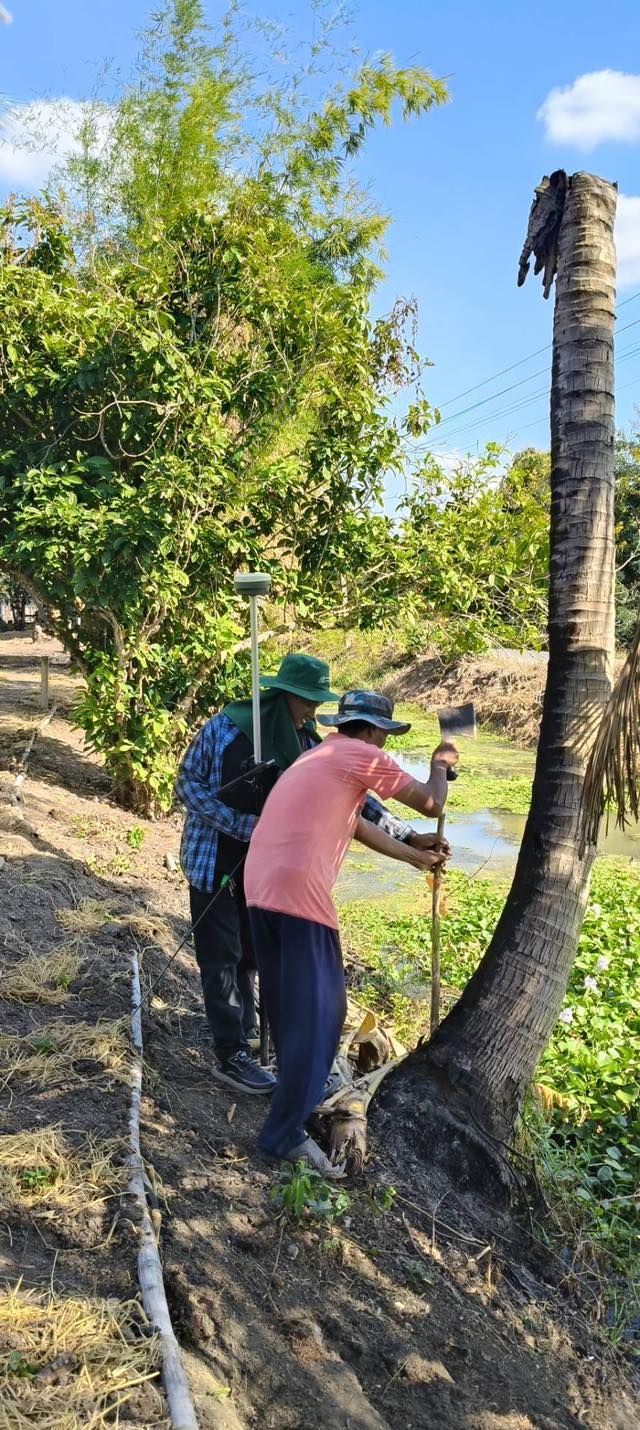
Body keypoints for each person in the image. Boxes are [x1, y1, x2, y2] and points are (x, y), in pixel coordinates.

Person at [176, 657, 438, 1094]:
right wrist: (246, 827)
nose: (312, 712)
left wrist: (409, 837)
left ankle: (251, 1031)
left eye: (318, 704)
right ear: (284, 697)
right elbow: (188, 785)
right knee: (220, 956)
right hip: (217, 857)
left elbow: (358, 803)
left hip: (270, 869)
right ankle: (232, 1054)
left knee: (251, 956)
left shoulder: (306, 742)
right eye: (307, 702)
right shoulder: (224, 728)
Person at [243, 689, 458, 1175]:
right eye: (384, 734)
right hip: (299, 894)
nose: (384, 741)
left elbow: (354, 823)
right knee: (324, 1014)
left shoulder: (321, 755)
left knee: (290, 1007)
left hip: (260, 887)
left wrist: (413, 853)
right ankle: (282, 1135)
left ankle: (293, 1094)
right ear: (375, 732)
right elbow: (430, 801)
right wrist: (441, 762)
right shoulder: (362, 754)